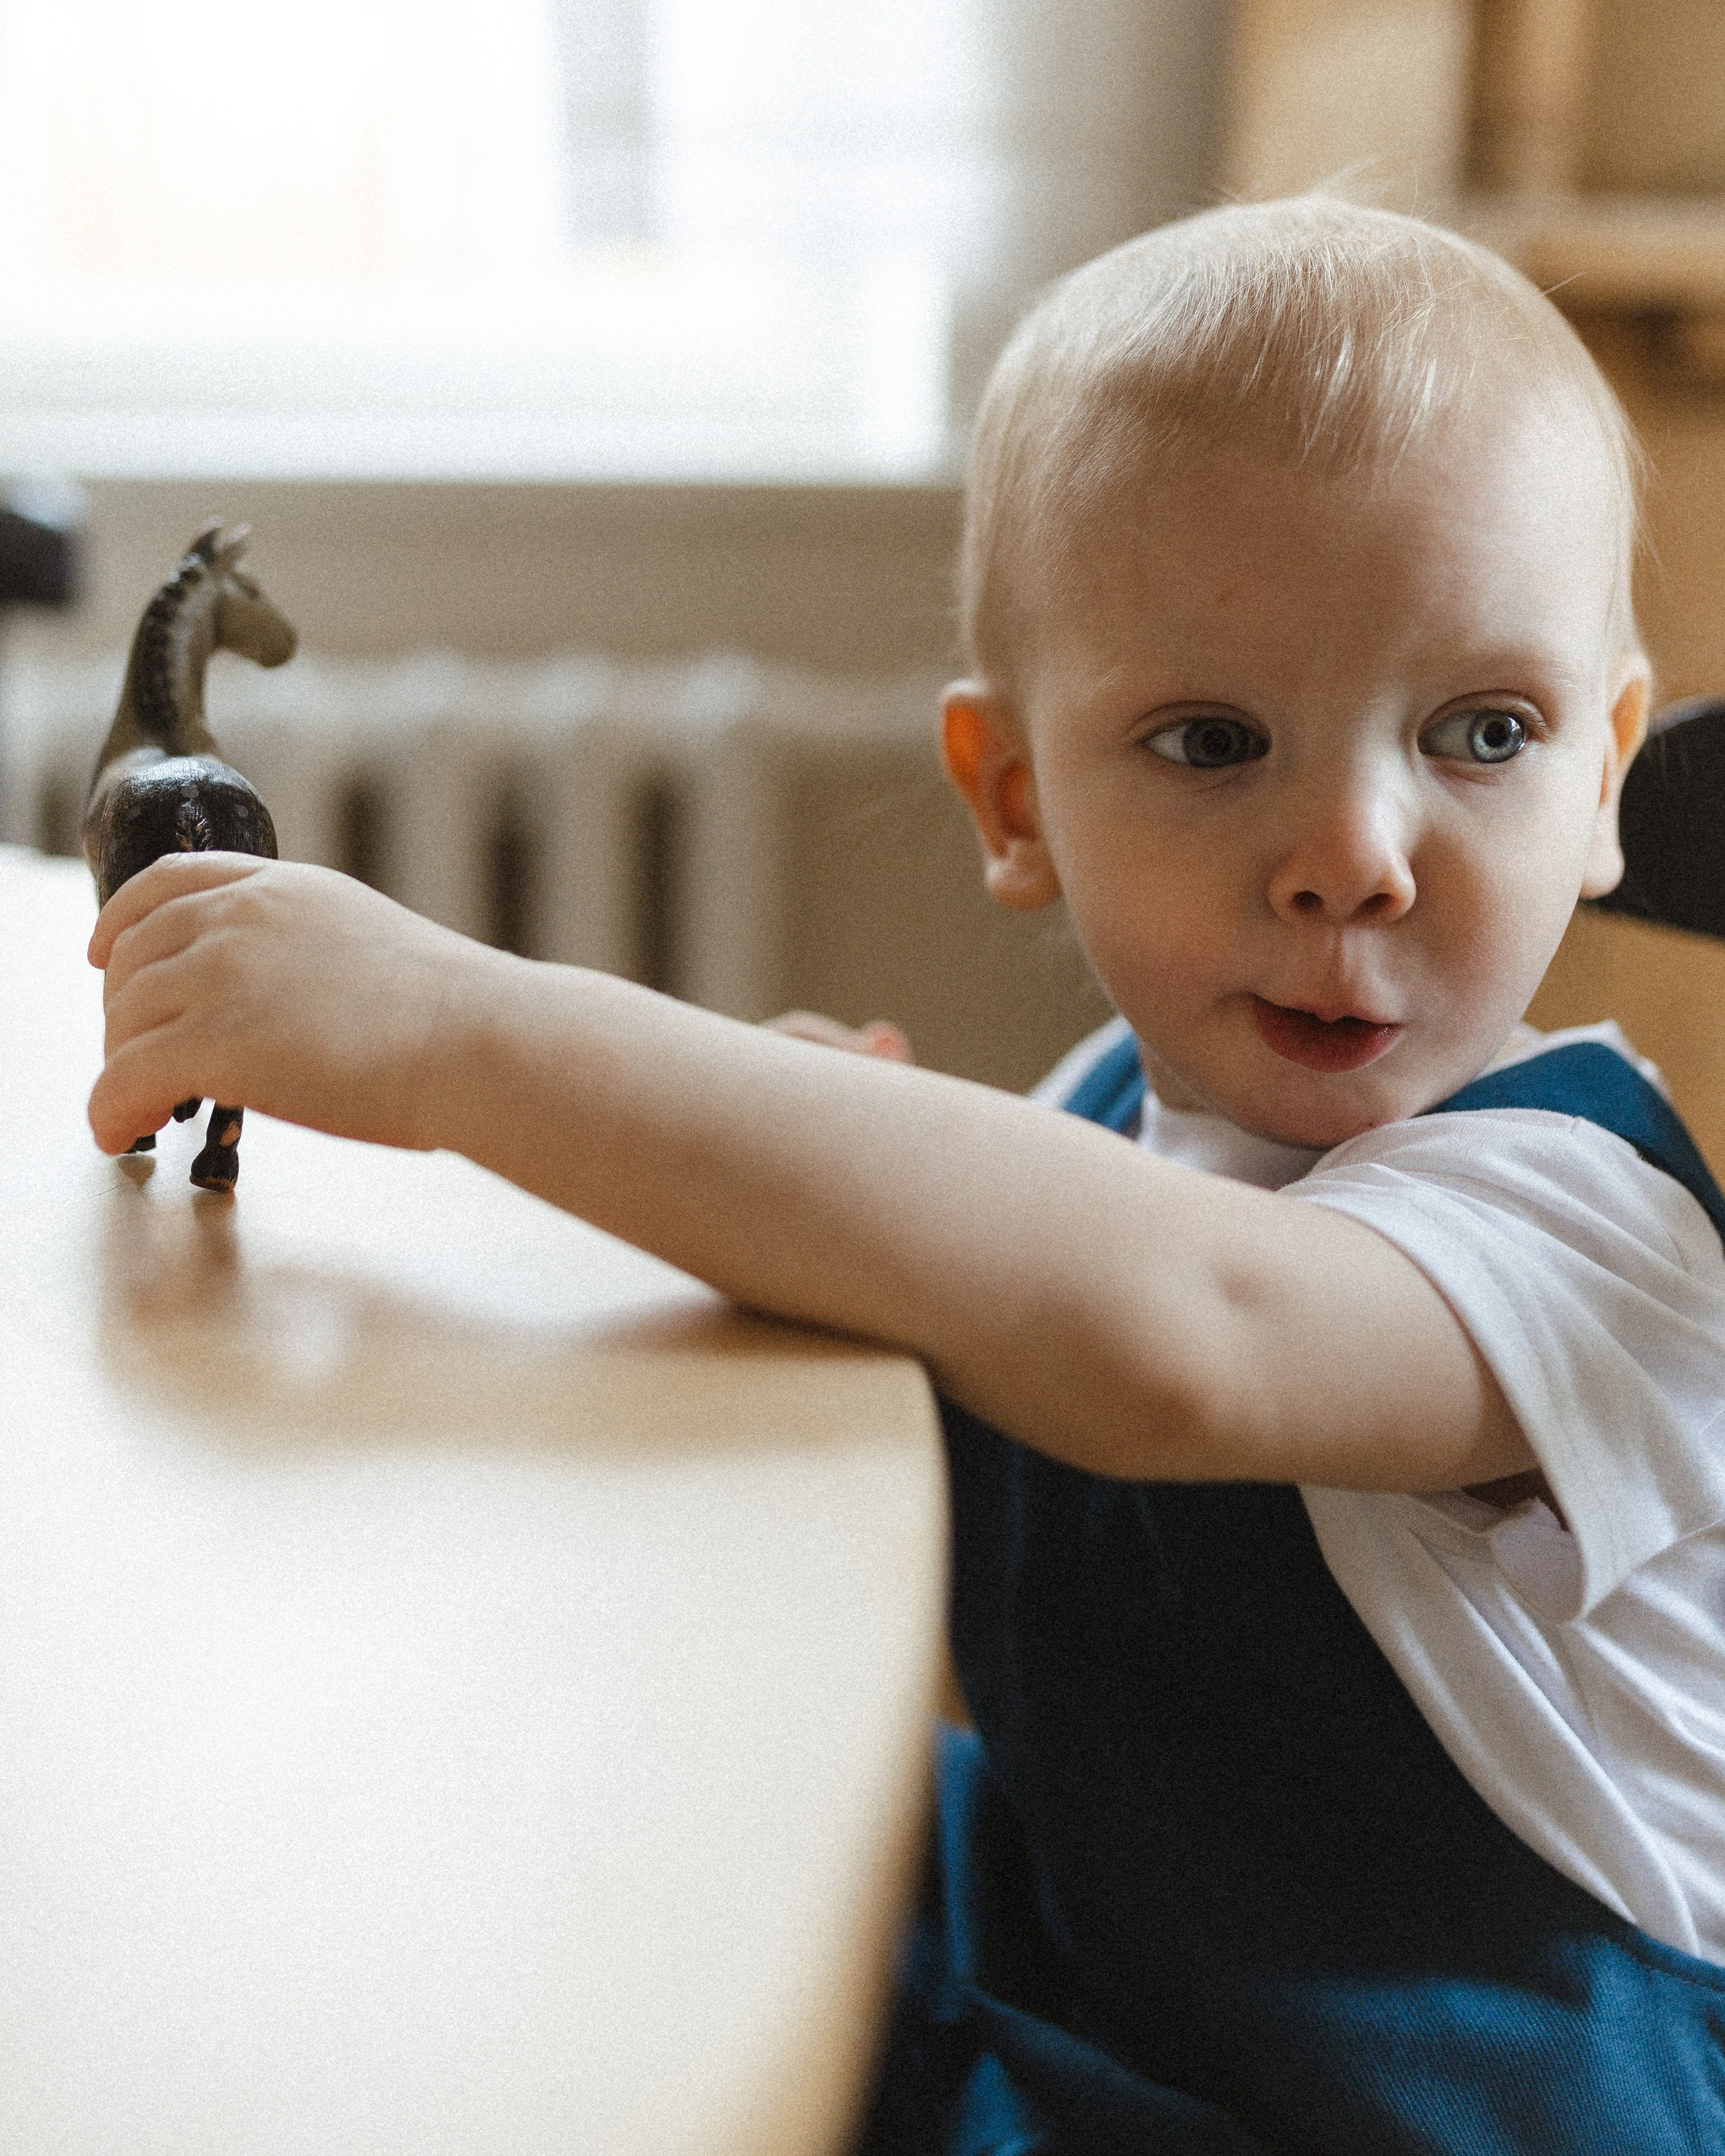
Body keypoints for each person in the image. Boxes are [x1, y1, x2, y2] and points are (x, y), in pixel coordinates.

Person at [86, 197, 1725, 2151]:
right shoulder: (1098, 1121)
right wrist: (824, 1194)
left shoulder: (1593, 1228)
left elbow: (1187, 1335)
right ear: (1014, 798)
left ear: (1606, 777)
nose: (1355, 849)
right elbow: (1028, 1408)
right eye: (1215, 739)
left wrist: (456, 1028)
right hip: (1107, 2018)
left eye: (1484, 732)